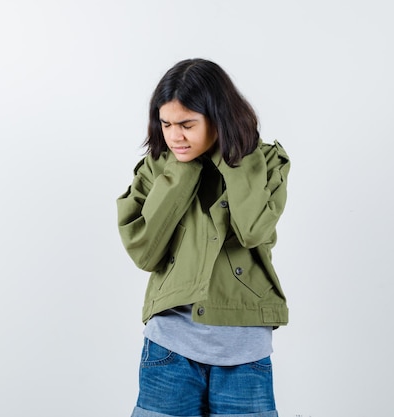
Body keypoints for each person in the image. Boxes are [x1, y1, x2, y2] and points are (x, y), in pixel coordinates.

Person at [117, 58, 290, 417]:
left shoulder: (266, 163)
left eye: (187, 124)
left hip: (245, 350)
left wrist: (235, 159)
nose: (174, 136)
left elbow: (253, 229)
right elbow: (144, 252)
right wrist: (180, 173)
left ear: (219, 118)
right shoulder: (157, 168)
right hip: (169, 348)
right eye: (166, 124)